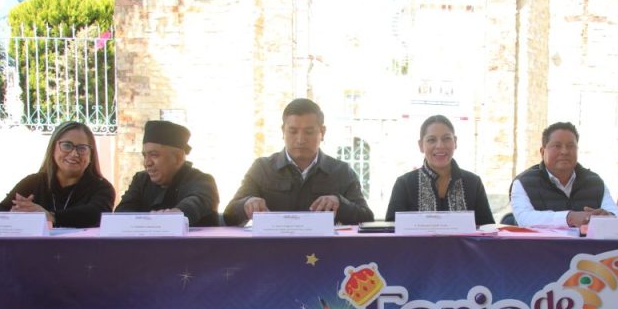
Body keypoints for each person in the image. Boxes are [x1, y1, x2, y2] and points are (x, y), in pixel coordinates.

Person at [223, 98, 374, 225]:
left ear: (322, 132)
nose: (300, 140)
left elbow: (367, 219)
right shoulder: (263, 168)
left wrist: (340, 204)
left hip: (324, 250)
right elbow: (229, 217)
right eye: (293, 131)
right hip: (273, 249)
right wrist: (247, 204)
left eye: (309, 132)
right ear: (283, 131)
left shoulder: (341, 171)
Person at [0, 121, 114, 227]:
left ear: (91, 154)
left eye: (82, 148)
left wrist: (50, 216)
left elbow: (97, 214)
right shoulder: (33, 182)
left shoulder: (102, 187)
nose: (74, 154)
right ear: (53, 149)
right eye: (67, 146)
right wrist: (12, 215)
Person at [509, 122, 618, 227]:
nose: (564, 152)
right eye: (557, 146)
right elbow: (525, 219)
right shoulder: (524, 183)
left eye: (570, 146)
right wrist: (569, 218)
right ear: (543, 152)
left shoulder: (594, 182)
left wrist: (610, 217)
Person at [385, 115, 494, 226]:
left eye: (446, 139)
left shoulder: (473, 183)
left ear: (455, 142)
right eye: (431, 140)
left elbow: (488, 228)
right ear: (421, 145)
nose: (440, 146)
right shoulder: (404, 184)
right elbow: (390, 230)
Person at [116, 120, 220, 227]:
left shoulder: (201, 180)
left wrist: (174, 215)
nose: (147, 163)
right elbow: (122, 213)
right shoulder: (141, 180)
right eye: (145, 156)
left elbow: (197, 202)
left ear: (177, 158)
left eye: (154, 155)